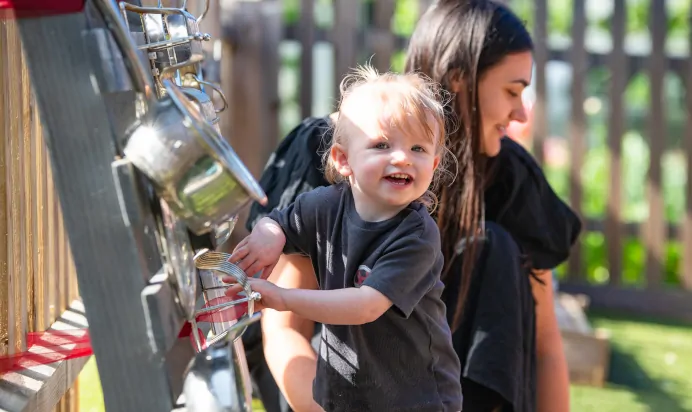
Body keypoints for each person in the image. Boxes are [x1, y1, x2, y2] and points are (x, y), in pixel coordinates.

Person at [243, 1, 582, 411]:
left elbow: (543, 345)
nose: (522, 112)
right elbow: (284, 330)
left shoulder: (508, 177)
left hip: (416, 388)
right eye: (512, 91)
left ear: (436, 164)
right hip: (324, 378)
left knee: (494, 245)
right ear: (461, 81)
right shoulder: (341, 159)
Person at [228, 66, 463, 412]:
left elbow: (365, 306)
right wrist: (269, 235)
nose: (402, 157)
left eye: (418, 148)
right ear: (342, 159)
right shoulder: (325, 206)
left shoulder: (417, 235)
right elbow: (279, 221)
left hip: (416, 400)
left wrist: (284, 297)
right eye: (382, 144)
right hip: (350, 394)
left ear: (434, 163)